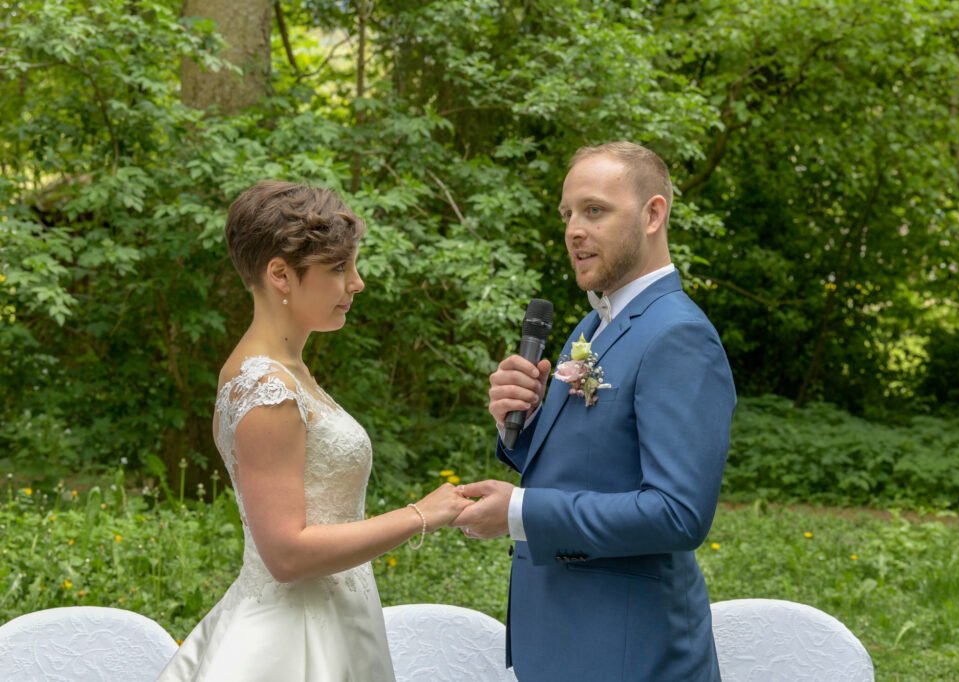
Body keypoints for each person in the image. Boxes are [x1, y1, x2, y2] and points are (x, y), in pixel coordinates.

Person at [158, 181, 472, 681]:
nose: (357, 282)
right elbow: (285, 552)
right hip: (293, 641)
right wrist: (421, 515)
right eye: (339, 268)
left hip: (337, 621)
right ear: (280, 274)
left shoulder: (286, 372)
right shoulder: (267, 389)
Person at [454, 142, 736, 681]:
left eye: (595, 210)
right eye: (567, 214)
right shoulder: (593, 326)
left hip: (629, 651)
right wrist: (520, 423)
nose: (573, 230)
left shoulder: (679, 334)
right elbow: (590, 460)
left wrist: (520, 513)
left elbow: (678, 513)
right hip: (565, 639)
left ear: (654, 214)